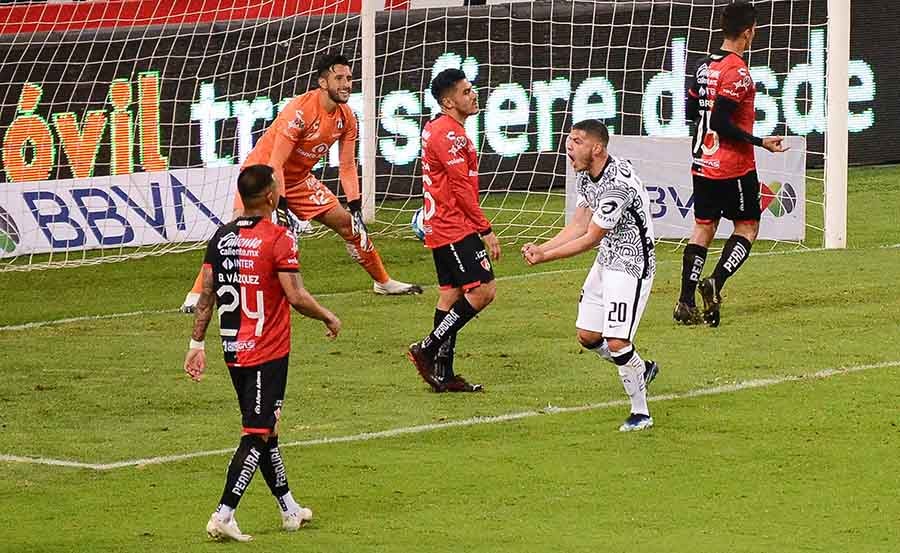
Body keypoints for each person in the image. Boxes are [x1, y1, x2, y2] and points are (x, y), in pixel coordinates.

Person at [181, 52, 421, 313]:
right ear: (322, 82)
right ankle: (196, 293)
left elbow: (348, 165)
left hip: (298, 179)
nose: (346, 84)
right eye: (338, 78)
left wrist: (355, 206)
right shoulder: (299, 112)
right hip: (263, 172)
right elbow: (275, 162)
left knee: (348, 225)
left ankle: (383, 282)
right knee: (236, 230)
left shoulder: (347, 117)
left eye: (349, 78)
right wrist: (280, 206)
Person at [183, 164, 342, 542]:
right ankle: (224, 513)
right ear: (270, 195)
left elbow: (205, 296)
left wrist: (196, 344)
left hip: (233, 348)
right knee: (256, 432)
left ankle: (288, 509)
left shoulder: (220, 238)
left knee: (267, 428)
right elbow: (296, 296)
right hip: (266, 352)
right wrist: (327, 315)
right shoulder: (279, 238)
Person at [522, 119, 659, 432]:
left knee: (617, 341)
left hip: (631, 264)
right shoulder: (585, 174)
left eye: (577, 140)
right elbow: (579, 225)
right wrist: (543, 247)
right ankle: (642, 369)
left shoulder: (617, 185)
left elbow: (590, 238)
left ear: (597, 148)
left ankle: (641, 413)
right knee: (587, 336)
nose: (569, 146)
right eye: (569, 139)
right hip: (607, 258)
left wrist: (546, 257)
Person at [675, 1, 789, 327]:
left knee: (703, 228)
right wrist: (761, 142)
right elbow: (722, 122)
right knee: (748, 226)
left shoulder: (702, 66)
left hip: (702, 163)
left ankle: (685, 302)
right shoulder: (738, 73)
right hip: (734, 167)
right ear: (749, 32)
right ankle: (716, 282)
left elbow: (691, 113)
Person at [405, 68, 501, 393]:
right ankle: (427, 348)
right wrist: (485, 230)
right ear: (448, 101)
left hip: (440, 225)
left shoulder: (436, 127)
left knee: (451, 294)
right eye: (465, 91)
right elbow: (461, 190)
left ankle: (443, 374)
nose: (473, 95)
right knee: (483, 291)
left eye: (471, 89)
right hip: (454, 226)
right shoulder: (450, 135)